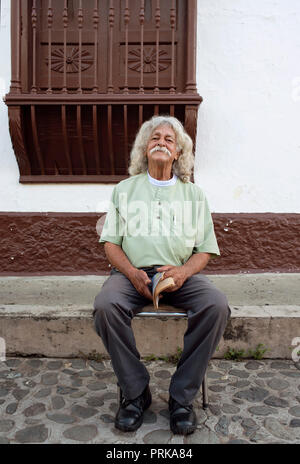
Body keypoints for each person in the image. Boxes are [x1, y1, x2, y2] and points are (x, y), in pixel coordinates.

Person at [93, 115, 230, 435]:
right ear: (144, 149)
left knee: (216, 305)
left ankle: (181, 398)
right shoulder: (124, 190)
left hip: (180, 274)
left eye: (170, 139)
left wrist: (182, 273)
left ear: (179, 152)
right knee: (105, 306)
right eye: (155, 138)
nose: (162, 142)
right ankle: (135, 392)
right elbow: (111, 244)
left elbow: (205, 249)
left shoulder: (193, 195)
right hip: (130, 274)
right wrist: (130, 272)